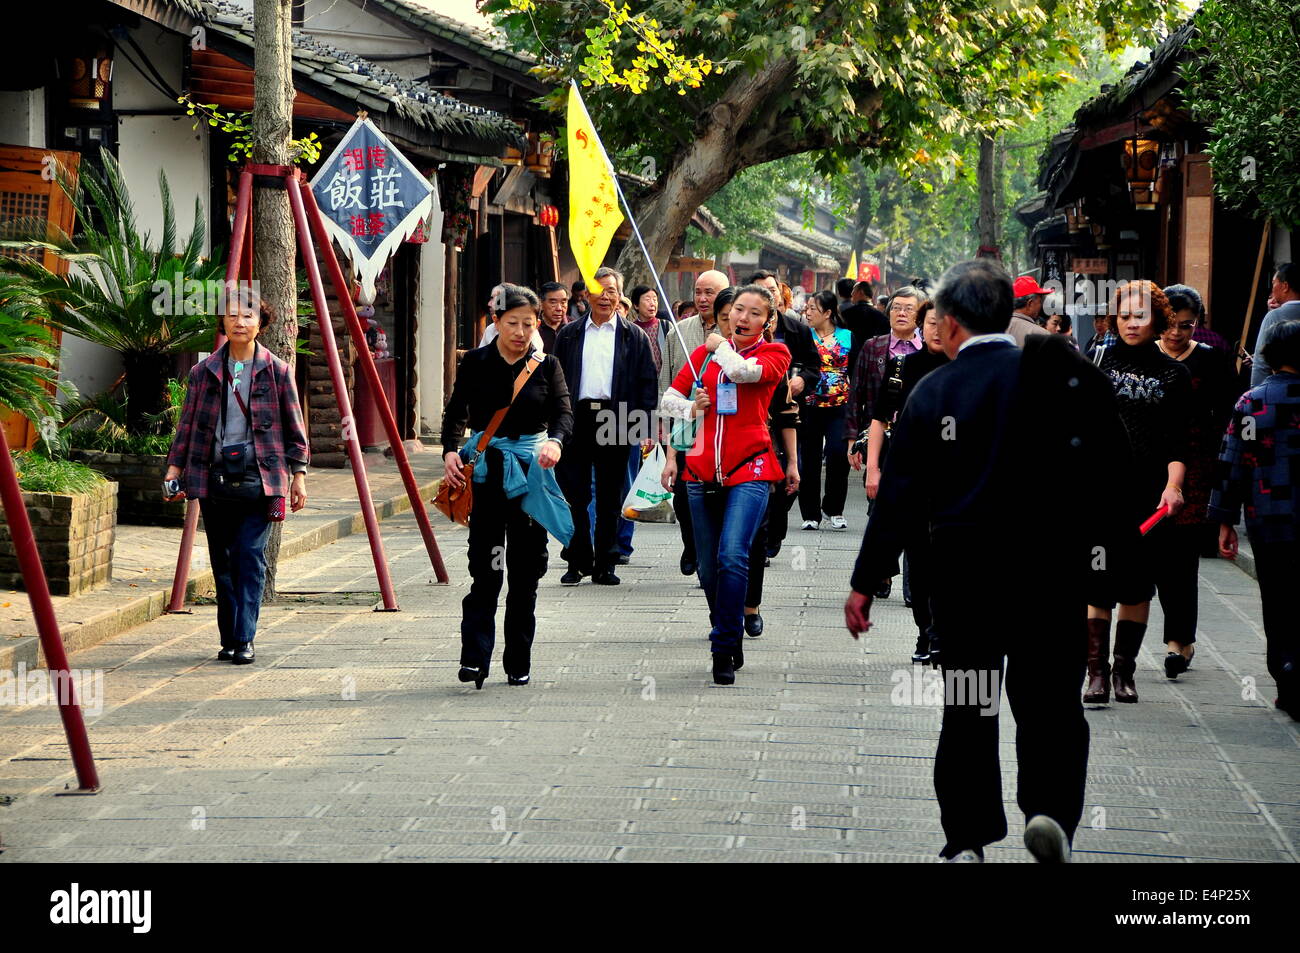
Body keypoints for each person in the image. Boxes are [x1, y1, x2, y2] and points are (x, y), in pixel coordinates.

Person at [845, 258, 1137, 863]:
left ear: (948, 323)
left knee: (969, 708)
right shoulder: (1060, 372)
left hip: (964, 577)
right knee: (1051, 704)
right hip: (1049, 572)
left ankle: (969, 837)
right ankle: (1051, 812)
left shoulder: (936, 390)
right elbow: (1113, 462)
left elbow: (899, 497)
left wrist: (865, 583)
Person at [164, 288, 309, 665]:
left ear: (260, 323)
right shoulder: (203, 371)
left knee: (250, 556)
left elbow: (295, 428)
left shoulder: (277, 371)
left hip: (261, 478)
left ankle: (245, 639)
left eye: (248, 316)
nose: (240, 322)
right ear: (223, 322)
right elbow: (188, 426)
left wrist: (299, 475)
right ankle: (228, 638)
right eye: (233, 315)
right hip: (213, 479)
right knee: (223, 562)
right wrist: (174, 470)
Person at [441, 284, 574, 689]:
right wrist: (449, 451)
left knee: (524, 574)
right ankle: (474, 659)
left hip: (530, 475)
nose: (520, 331)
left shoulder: (547, 365)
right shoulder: (476, 362)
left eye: (528, 324)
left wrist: (555, 441)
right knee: (486, 570)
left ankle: (518, 660)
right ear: (495, 322)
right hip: (486, 474)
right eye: (512, 323)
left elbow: (563, 413)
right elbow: (455, 412)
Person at [660, 285, 791, 685]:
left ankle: (722, 646)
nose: (744, 318)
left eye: (754, 313)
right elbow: (667, 399)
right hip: (699, 470)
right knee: (706, 566)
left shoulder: (775, 354)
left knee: (733, 555)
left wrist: (718, 346)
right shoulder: (701, 355)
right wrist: (691, 407)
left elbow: (742, 373)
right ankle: (728, 630)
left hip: (750, 468)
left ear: (767, 320)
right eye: (739, 310)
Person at [1085, 280, 1192, 705]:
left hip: (1147, 496)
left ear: (1158, 321)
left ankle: (1123, 671)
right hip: (1098, 490)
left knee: (1136, 585)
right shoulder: (1097, 363)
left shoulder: (1174, 374)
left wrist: (1173, 485)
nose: (1132, 324)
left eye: (1140, 316)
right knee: (1096, 581)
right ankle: (1095, 672)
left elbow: (1178, 440)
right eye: (1125, 316)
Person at [1210, 319, 1300, 719]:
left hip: (1269, 520)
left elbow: (1234, 464)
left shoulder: (1253, 403)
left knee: (1278, 599)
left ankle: (1286, 677)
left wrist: (1225, 519)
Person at [1153, 285, 1239, 678]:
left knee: (1181, 561)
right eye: (1170, 325)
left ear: (1197, 325)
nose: (1176, 334)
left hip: (1195, 471)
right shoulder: (1141, 356)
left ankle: (1178, 642)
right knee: (1145, 562)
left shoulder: (1213, 361)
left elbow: (1230, 418)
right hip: (1146, 469)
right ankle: (1120, 657)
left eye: (1186, 326)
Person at [553, 266, 658, 586]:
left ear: (620, 295)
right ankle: (576, 558)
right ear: (586, 294)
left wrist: (643, 428)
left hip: (617, 417)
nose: (605, 296)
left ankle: (606, 562)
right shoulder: (569, 334)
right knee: (574, 493)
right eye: (599, 290)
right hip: (576, 418)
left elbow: (647, 385)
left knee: (611, 496)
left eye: (612, 290)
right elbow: (555, 381)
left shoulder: (633, 336)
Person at [866, 299, 949, 663]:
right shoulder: (903, 367)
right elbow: (880, 420)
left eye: (943, 324)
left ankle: (943, 632)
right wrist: (874, 469)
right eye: (930, 323)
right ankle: (924, 631)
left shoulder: (963, 370)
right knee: (919, 557)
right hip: (912, 476)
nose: (936, 331)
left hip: (956, 481)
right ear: (921, 325)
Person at [846, 285, 925, 599]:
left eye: (909, 308)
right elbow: (857, 395)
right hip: (879, 437)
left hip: (920, 440)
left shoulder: (930, 350)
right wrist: (853, 439)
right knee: (879, 507)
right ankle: (885, 570)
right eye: (896, 308)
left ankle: (914, 583)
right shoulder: (873, 348)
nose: (902, 313)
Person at [660, 270, 729, 577]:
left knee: (718, 497)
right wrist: (665, 436)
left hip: (724, 431)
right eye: (699, 291)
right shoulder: (678, 332)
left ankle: (709, 555)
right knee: (684, 498)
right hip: (685, 430)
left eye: (710, 292)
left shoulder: (735, 333)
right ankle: (693, 544)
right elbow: (667, 386)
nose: (702, 298)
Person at [749, 270, 821, 556]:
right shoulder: (744, 326)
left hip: (790, 414)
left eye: (772, 289)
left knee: (791, 472)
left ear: (780, 293)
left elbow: (814, 365)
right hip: (756, 415)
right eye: (760, 290)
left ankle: (774, 527)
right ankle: (762, 533)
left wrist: (803, 378)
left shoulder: (796, 328)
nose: (768, 295)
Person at [796, 290, 853, 531]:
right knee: (808, 459)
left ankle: (834, 509)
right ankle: (810, 513)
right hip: (809, 405)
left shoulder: (848, 336)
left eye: (813, 309)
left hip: (840, 405)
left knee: (838, 454)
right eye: (806, 308)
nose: (807, 313)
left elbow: (856, 370)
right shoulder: (803, 336)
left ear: (828, 313)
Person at [1250, 262, 1300, 386]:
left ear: (1285, 286)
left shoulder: (1274, 316)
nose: (1272, 288)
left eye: (1274, 283)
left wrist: (1256, 393)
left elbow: (1261, 364)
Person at [839, 279, 890, 371]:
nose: (851, 294)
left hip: (849, 362)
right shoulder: (882, 318)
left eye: (853, 291)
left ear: (860, 292)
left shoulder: (846, 314)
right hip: (874, 364)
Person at [1007, 275, 1052, 346]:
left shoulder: (996, 328)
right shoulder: (1041, 335)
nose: (1041, 305)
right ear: (1030, 304)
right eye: (1040, 301)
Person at [537, 281, 569, 352]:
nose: (559, 308)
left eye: (563, 302)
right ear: (541, 304)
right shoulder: (534, 327)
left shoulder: (575, 326)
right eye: (553, 303)